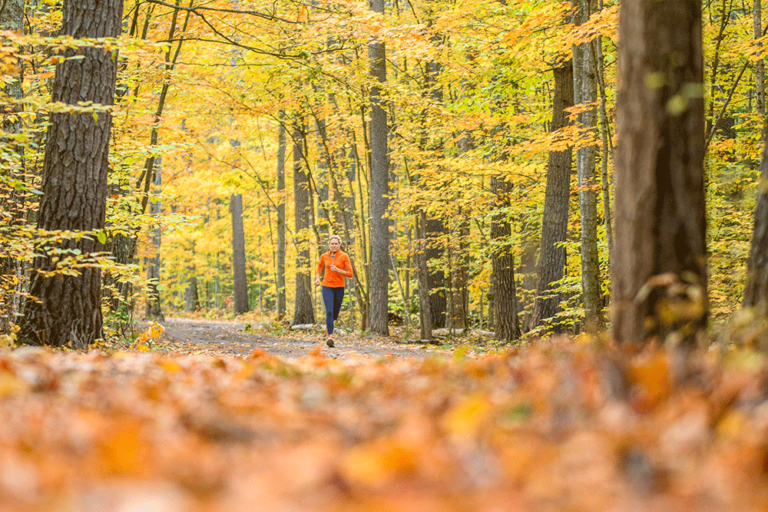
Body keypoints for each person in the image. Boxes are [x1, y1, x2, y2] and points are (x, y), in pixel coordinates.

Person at [315, 235, 353, 347]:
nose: (334, 245)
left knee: (335, 314)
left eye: (336, 243)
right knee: (329, 311)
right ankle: (330, 336)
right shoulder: (324, 256)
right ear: (329, 244)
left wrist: (338, 270)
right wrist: (317, 278)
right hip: (327, 286)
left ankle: (329, 325)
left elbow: (350, 274)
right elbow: (319, 266)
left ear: (339, 244)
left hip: (339, 287)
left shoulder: (344, 256)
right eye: (332, 243)